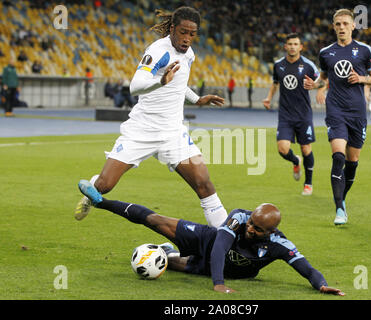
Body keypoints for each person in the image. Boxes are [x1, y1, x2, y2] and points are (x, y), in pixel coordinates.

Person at [75, 6, 228, 228]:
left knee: (204, 183)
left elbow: (179, 83)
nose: (187, 39)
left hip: (173, 133)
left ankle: (226, 239)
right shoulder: (158, 51)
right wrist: (160, 81)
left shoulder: (189, 54)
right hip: (142, 130)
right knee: (105, 185)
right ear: (173, 28)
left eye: (192, 34)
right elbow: (135, 86)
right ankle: (92, 190)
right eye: (183, 32)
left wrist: (196, 99)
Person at [78, 179, 345, 296]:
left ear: (270, 233)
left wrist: (321, 285)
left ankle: (165, 252)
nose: (249, 228)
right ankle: (101, 201)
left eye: (256, 229)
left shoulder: (279, 245)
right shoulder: (240, 217)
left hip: (220, 269)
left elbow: (305, 268)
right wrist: (218, 284)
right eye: (251, 222)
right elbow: (220, 246)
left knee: (167, 262)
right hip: (209, 242)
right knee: (156, 221)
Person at [305, 9, 371, 225]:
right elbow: (323, 79)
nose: (341, 28)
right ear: (333, 26)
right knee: (338, 157)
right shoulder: (326, 52)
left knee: (352, 161)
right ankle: (339, 209)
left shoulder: (365, 50)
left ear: (353, 26)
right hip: (336, 110)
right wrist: (315, 85)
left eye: (345, 24)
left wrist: (362, 78)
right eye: (337, 24)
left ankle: (342, 199)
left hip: (357, 112)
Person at [263, 33, 320, 196]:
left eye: (296, 44)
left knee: (306, 148)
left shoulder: (309, 65)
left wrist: (316, 87)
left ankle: (308, 183)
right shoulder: (278, 65)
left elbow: (323, 81)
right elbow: (275, 83)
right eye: (290, 44)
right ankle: (296, 161)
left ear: (301, 47)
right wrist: (268, 98)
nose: (293, 46)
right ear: (285, 47)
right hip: (285, 114)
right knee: (282, 149)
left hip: (303, 114)